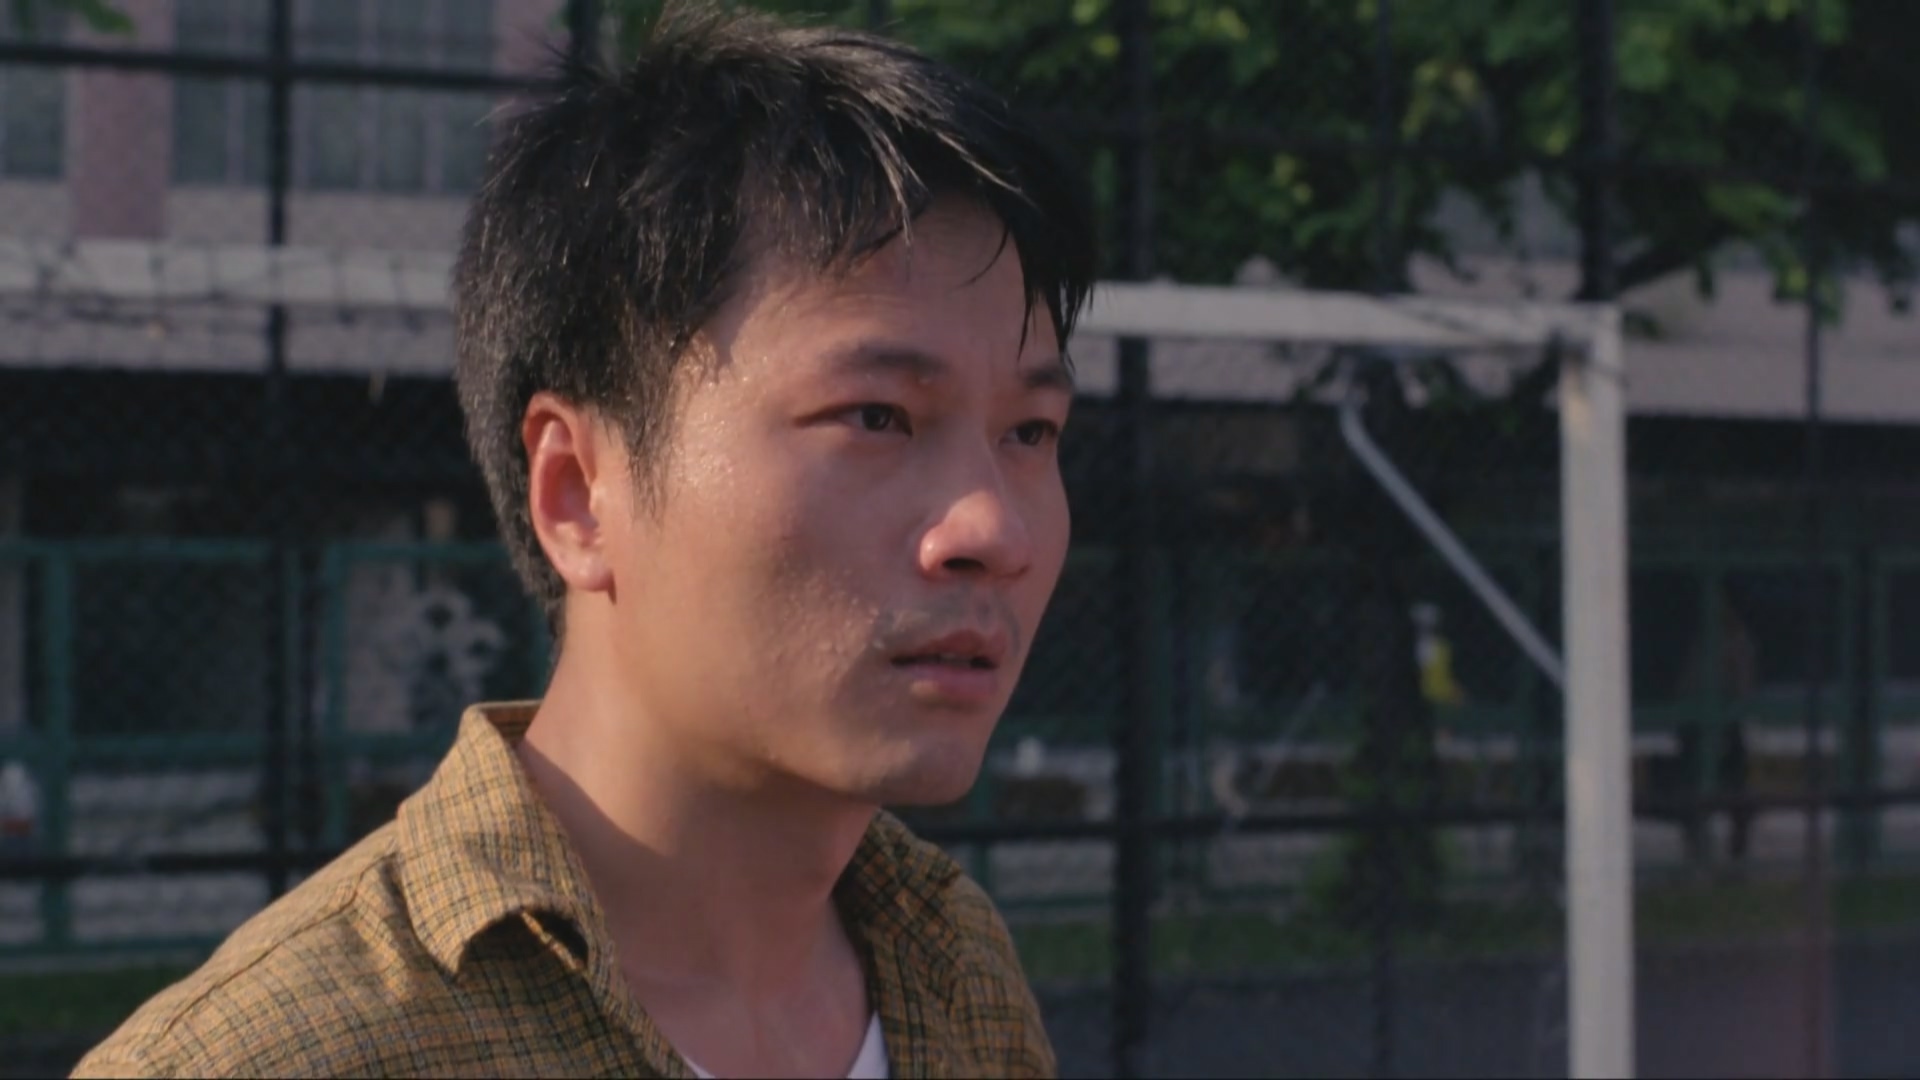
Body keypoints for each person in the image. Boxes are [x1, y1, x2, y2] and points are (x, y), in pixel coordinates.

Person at [73, 4, 1094, 1076]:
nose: (994, 528)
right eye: (877, 416)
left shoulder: (954, 968)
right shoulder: (275, 1059)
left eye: (1031, 431)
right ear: (576, 493)